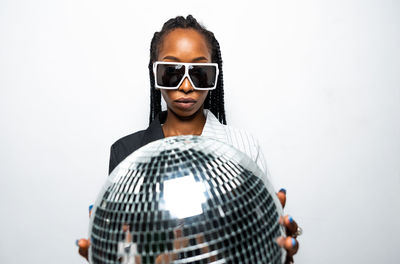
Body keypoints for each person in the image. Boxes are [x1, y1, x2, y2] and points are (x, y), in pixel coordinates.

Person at [77, 15, 301, 263]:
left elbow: (261, 238)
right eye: (171, 72)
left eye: (199, 73)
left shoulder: (243, 147)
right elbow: (122, 247)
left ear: (214, 75)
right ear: (155, 74)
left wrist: (278, 250)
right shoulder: (127, 152)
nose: (186, 86)